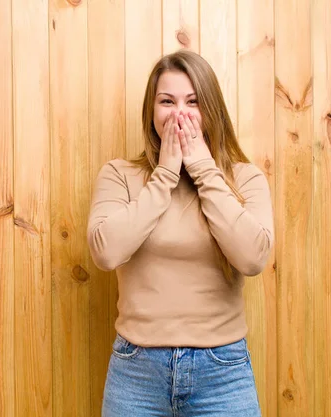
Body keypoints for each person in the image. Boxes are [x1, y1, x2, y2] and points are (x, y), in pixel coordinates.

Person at [87, 50, 274, 417]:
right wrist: (165, 176)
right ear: (151, 111)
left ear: (211, 110)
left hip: (223, 372)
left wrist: (204, 169)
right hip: (136, 372)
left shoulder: (245, 179)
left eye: (193, 102)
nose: (179, 114)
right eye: (167, 101)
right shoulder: (119, 175)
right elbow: (106, 252)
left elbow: (253, 258)